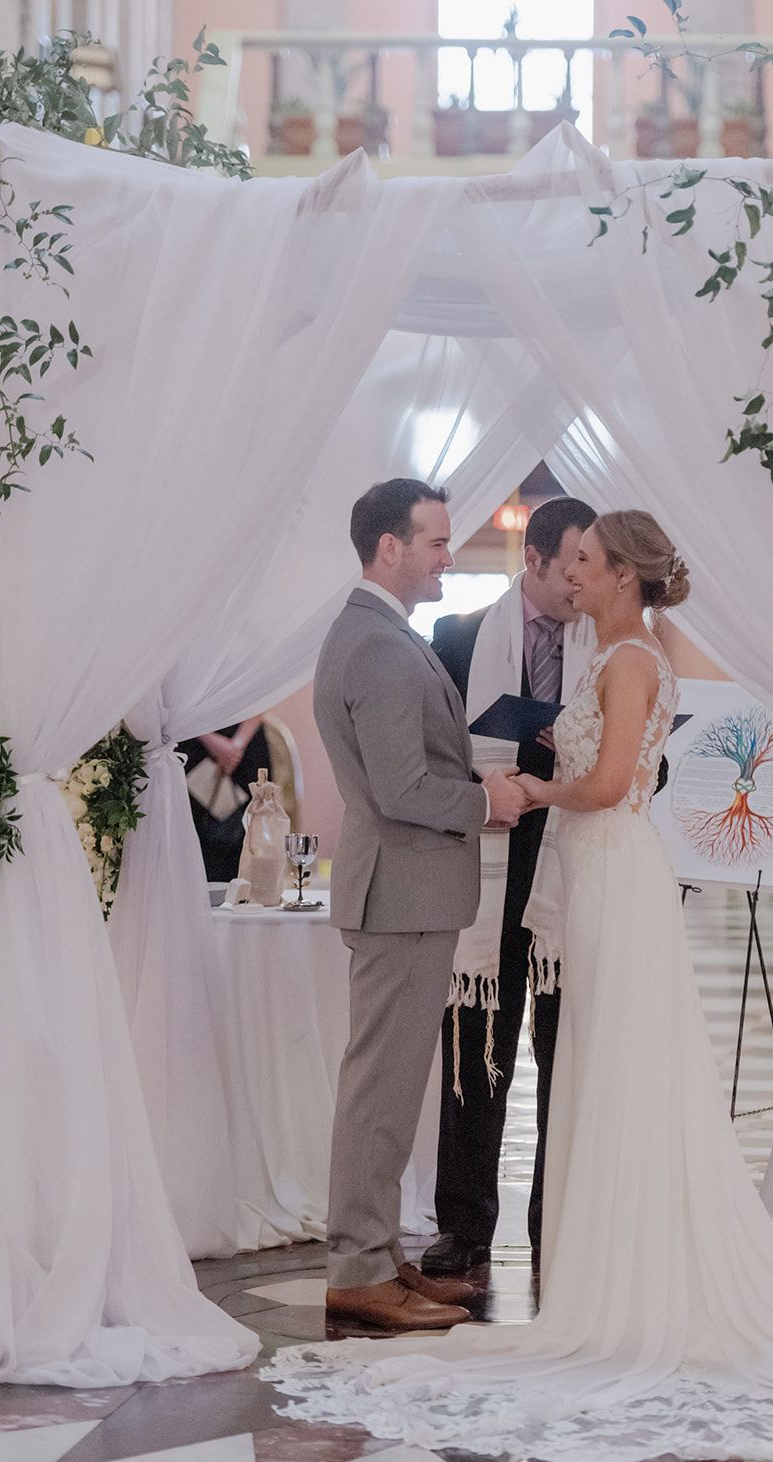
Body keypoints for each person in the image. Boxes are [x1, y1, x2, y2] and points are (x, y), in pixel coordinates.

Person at [267, 509, 773, 1462]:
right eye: (570, 559)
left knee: (615, 1063)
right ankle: (576, 1257)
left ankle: (617, 1267)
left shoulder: (625, 660)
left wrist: (535, 791)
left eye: (585, 560)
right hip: (592, 877)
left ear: (622, 574)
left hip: (612, 873)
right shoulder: (605, 652)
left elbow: (614, 783)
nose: (569, 573)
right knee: (598, 1064)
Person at [312, 479, 528, 1334]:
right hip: (400, 893)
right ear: (389, 547)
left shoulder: (382, 635)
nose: (448, 556)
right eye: (436, 542)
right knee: (381, 1089)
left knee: (391, 1088)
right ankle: (358, 1271)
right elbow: (401, 788)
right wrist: (485, 802)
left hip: (407, 891)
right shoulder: (376, 646)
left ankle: (375, 1255)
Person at [425, 498, 600, 1274]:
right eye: (573, 566)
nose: (583, 582)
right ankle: (463, 1225)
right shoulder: (457, 637)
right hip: (487, 856)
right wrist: (485, 784)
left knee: (567, 1043)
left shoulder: (609, 644)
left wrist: (579, 751)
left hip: (572, 861)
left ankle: (555, 1221)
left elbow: (647, 765)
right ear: (533, 560)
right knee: (474, 1039)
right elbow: (433, 755)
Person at [180, 717, 272, 883]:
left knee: (249, 831)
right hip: (193, 741)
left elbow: (259, 705)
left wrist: (236, 746)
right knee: (192, 835)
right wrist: (209, 740)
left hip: (246, 749)